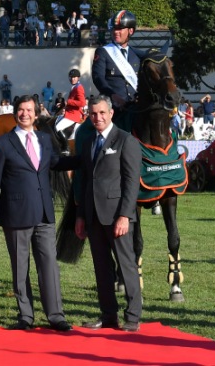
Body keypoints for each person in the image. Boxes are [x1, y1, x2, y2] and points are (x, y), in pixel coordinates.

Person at [0, 95, 75, 331]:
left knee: (49, 267)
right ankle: (26, 315)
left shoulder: (45, 140)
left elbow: (54, 162)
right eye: (21, 110)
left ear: (36, 114)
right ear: (15, 113)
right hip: (16, 214)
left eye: (29, 110)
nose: (25, 114)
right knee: (20, 266)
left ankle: (56, 315)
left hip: (44, 213)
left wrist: (83, 160)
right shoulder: (2, 144)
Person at [75, 96, 143, 332]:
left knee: (126, 265)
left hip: (118, 217)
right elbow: (85, 181)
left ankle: (133, 317)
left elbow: (132, 182)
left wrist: (125, 215)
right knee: (102, 269)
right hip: (93, 216)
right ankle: (109, 315)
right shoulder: (88, 143)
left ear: (111, 113)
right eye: (93, 114)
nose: (98, 118)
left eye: (102, 113)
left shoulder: (126, 141)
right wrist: (81, 216)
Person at [92, 10, 141, 117]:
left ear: (130, 31)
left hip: (136, 109)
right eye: (114, 28)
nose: (115, 32)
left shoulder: (137, 55)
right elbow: (98, 78)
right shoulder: (103, 52)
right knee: (84, 131)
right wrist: (113, 96)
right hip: (112, 108)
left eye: (120, 28)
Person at [54, 69, 86, 146]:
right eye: (71, 77)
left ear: (78, 78)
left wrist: (68, 102)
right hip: (69, 113)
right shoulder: (74, 87)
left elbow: (82, 103)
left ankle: (66, 148)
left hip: (73, 115)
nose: (72, 79)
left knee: (57, 128)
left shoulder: (79, 87)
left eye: (74, 77)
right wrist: (62, 104)